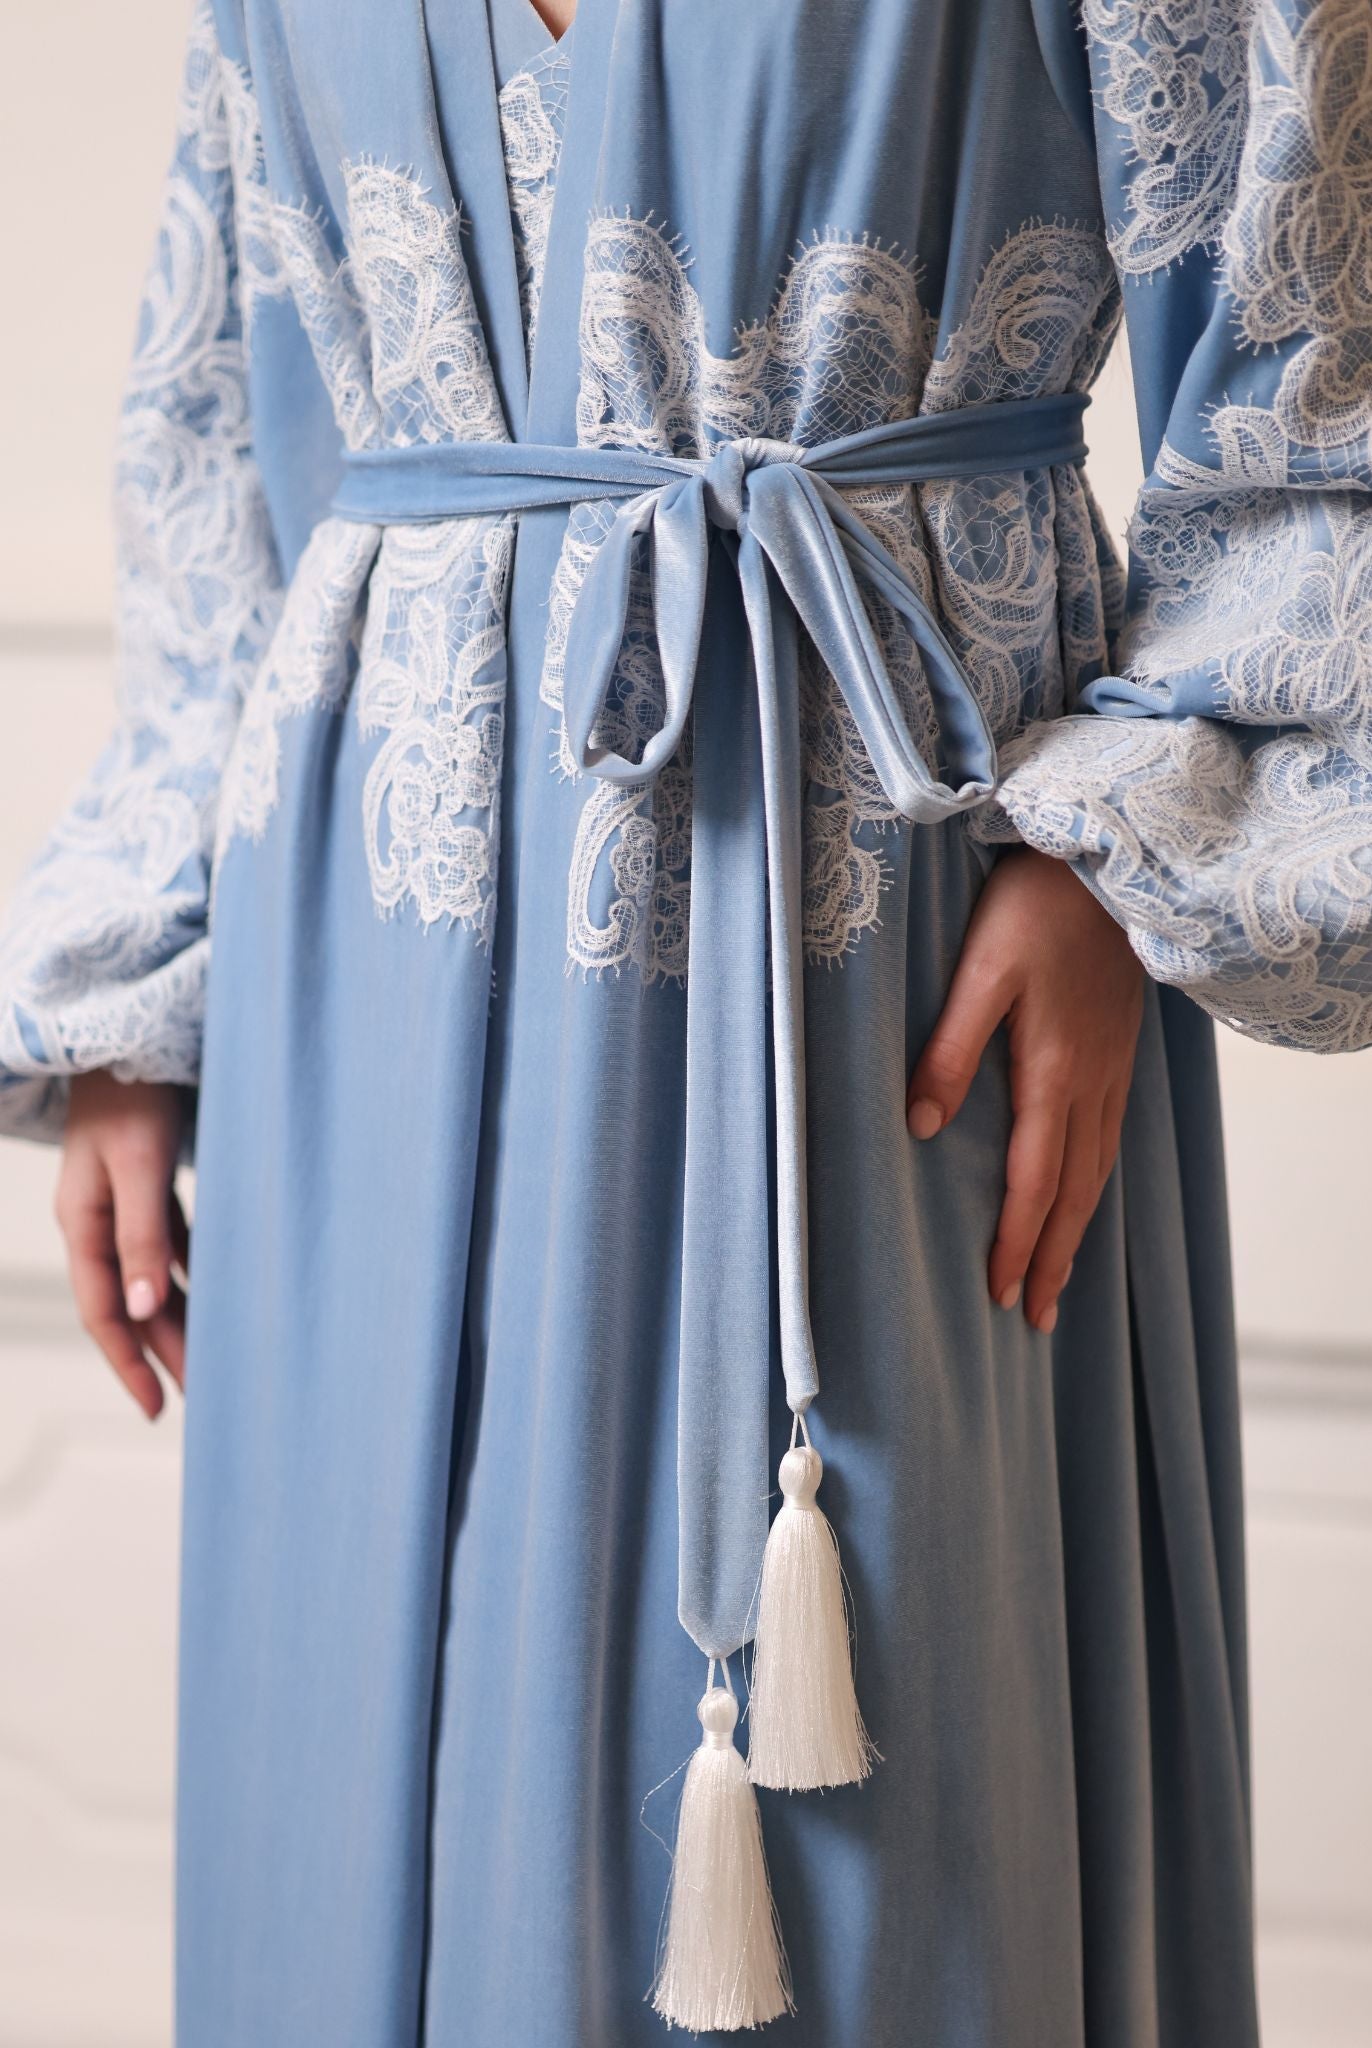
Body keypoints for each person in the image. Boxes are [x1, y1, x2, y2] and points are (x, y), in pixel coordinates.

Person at [2, 0, 1366, 2039]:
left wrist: (1119, 850)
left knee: (878, 1823)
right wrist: (145, 987)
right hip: (364, 970)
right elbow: (230, 435)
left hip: (894, 949)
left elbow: (1308, 363)